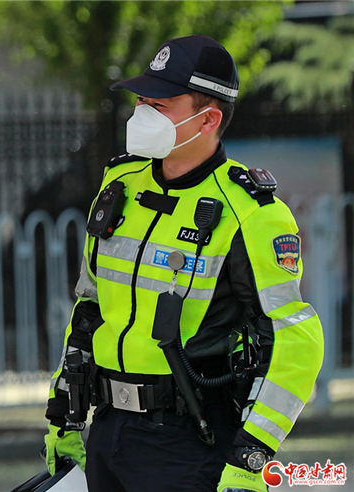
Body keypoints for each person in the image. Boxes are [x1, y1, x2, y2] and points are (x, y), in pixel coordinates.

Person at [43, 35, 324, 492]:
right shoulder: (120, 182)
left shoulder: (250, 212)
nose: (142, 113)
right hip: (108, 431)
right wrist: (63, 418)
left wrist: (251, 456)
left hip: (189, 440)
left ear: (208, 119)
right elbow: (89, 308)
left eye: (160, 105)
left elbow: (294, 342)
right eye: (142, 101)